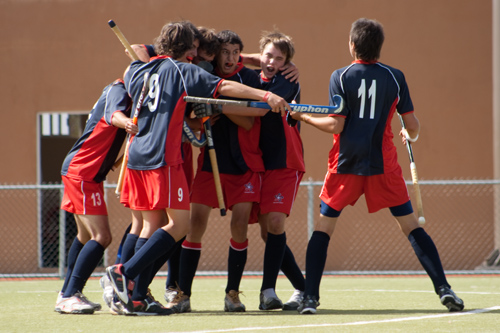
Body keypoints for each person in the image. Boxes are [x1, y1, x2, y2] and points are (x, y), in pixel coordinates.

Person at [105, 21, 290, 316]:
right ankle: (122, 273)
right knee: (180, 226)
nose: (197, 51)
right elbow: (225, 86)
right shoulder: (182, 69)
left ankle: (136, 296)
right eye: (194, 46)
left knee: (150, 226)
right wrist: (265, 95)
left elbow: (135, 77)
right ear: (187, 48)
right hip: (162, 158)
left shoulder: (140, 69)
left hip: (136, 155)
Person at [290, 18, 464, 315]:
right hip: (383, 165)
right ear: (379, 47)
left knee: (323, 229)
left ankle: (310, 298)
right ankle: (444, 288)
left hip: (345, 164)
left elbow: (336, 124)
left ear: (352, 45)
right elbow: (412, 126)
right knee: (411, 227)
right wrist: (410, 134)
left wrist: (302, 117)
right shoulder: (395, 77)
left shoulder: (340, 76)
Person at [169, 29, 266, 314]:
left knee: (239, 227)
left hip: (244, 166)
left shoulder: (247, 79)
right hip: (210, 165)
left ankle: (232, 294)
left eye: (236, 53)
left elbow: (251, 120)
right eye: (226, 52)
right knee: (193, 224)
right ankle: (183, 294)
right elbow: (196, 123)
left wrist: (218, 107)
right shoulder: (204, 77)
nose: (231, 57)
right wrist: (207, 112)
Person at [55, 78, 138, 314]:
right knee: (102, 236)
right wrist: (130, 123)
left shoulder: (131, 96)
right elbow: (114, 116)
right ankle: (70, 295)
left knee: (84, 235)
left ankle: (67, 293)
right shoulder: (119, 88)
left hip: (87, 172)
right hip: (83, 171)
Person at [250, 31, 306, 312]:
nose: (272, 61)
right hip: (257, 162)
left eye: (279, 58)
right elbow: (245, 63)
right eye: (268, 55)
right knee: (266, 233)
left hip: (285, 160)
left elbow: (262, 109)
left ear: (286, 64)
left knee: (274, 224)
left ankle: (267, 292)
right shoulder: (252, 77)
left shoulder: (287, 81)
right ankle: (304, 288)